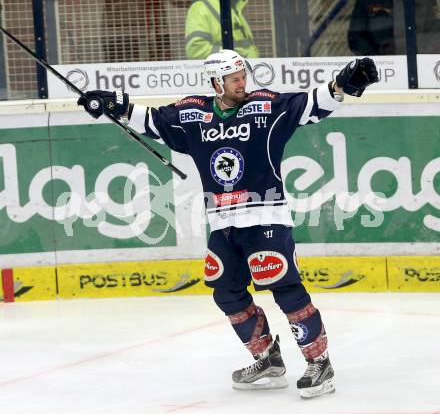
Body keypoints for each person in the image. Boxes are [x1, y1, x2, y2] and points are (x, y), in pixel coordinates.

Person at [77, 50, 378, 398]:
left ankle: (319, 362)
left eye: (242, 75)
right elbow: (154, 120)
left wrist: (344, 84)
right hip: (223, 222)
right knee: (225, 289)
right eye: (234, 78)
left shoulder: (265, 107)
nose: (242, 82)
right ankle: (267, 358)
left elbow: (311, 104)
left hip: (266, 215)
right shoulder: (194, 113)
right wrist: (114, 104)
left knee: (282, 285)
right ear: (216, 82)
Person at [185, 0, 259, 59]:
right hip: (229, 72)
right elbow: (196, 50)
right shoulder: (200, 7)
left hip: (245, 72)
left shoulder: (233, 6)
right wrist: (234, 59)